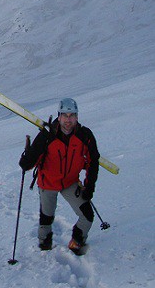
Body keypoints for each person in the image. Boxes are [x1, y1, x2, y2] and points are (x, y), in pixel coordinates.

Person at [19, 97, 100, 254]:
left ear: (77, 117)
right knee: (46, 217)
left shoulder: (85, 135)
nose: (68, 120)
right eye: (64, 115)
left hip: (70, 182)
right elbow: (28, 163)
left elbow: (93, 161)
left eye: (72, 116)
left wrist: (89, 187)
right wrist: (27, 157)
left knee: (87, 216)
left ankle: (77, 241)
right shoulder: (47, 135)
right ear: (59, 116)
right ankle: (44, 245)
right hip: (48, 182)